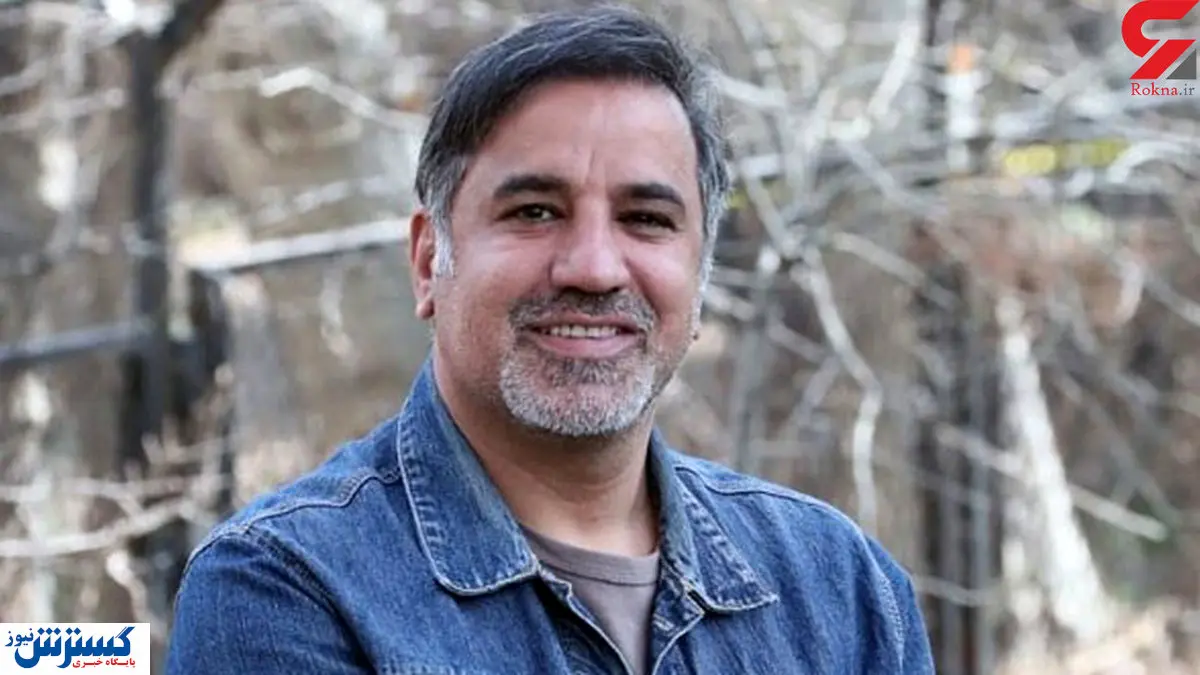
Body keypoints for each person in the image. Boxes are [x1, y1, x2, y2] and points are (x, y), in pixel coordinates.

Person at [165, 5, 935, 674]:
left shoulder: (842, 588)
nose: (594, 268)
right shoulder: (286, 587)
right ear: (430, 262)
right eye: (535, 211)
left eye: (646, 219)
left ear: (698, 278)